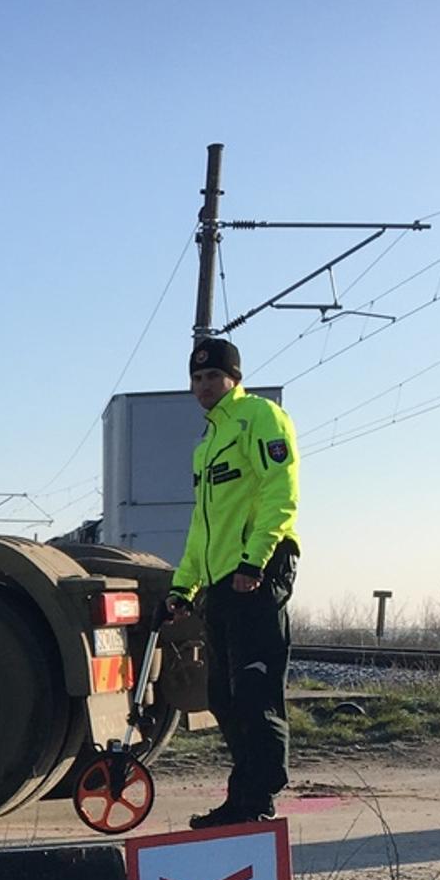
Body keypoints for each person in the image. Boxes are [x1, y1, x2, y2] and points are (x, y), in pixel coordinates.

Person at [170, 337, 300, 827]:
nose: (204, 386)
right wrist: (183, 587)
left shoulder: (259, 418)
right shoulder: (207, 444)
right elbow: (202, 528)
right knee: (222, 697)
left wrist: (255, 560)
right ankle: (243, 796)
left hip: (256, 571)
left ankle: (259, 798)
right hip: (221, 580)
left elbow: (280, 490)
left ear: (234, 378)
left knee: (253, 690)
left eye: (213, 377)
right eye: (197, 378)